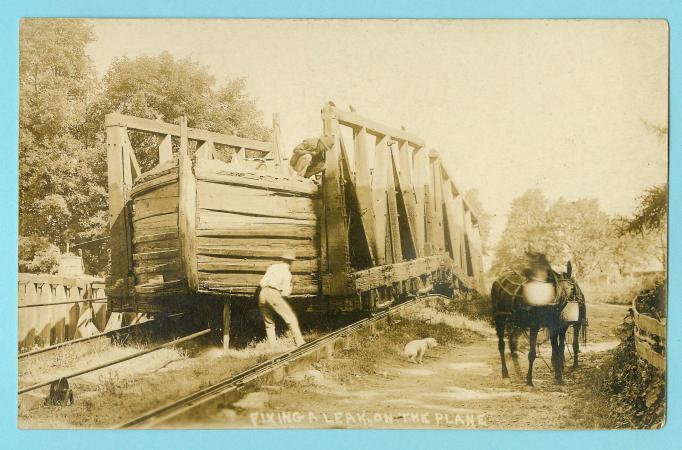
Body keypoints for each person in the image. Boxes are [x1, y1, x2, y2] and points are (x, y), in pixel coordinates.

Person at [258, 251, 305, 347]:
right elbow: (285, 293)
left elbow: (261, 282)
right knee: (291, 318)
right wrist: (292, 285)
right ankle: (300, 343)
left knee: (269, 323)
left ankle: (273, 346)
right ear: (291, 262)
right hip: (273, 293)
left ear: (282, 259)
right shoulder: (287, 273)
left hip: (262, 294)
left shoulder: (273, 267)